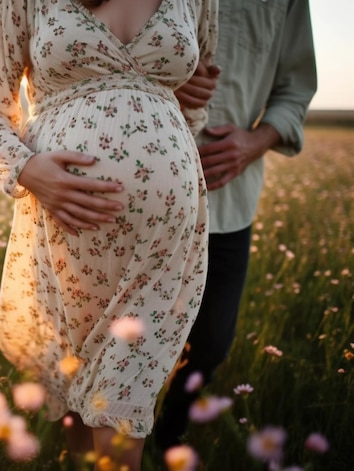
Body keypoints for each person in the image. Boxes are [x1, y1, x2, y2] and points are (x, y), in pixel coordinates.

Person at [0, 0, 217, 468]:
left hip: (162, 239)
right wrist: (26, 168)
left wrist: (180, 140)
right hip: (65, 235)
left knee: (127, 392)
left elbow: (194, 102)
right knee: (77, 390)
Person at [153, 0, 318, 450]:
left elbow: (295, 90)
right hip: (138, 195)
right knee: (122, 338)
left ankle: (168, 434)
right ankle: (106, 441)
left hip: (228, 203)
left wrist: (254, 142)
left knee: (209, 345)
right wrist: (157, 68)